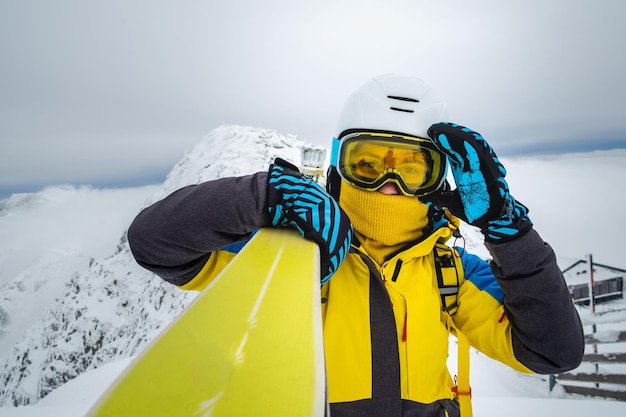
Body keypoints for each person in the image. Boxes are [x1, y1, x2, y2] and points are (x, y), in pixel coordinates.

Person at [127, 74, 584, 417]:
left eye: (410, 168)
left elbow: (552, 351)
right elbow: (154, 243)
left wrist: (510, 232)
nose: (388, 187)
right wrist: (262, 199)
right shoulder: (289, 253)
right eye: (367, 163)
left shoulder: (452, 272)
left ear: (438, 181)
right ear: (338, 165)